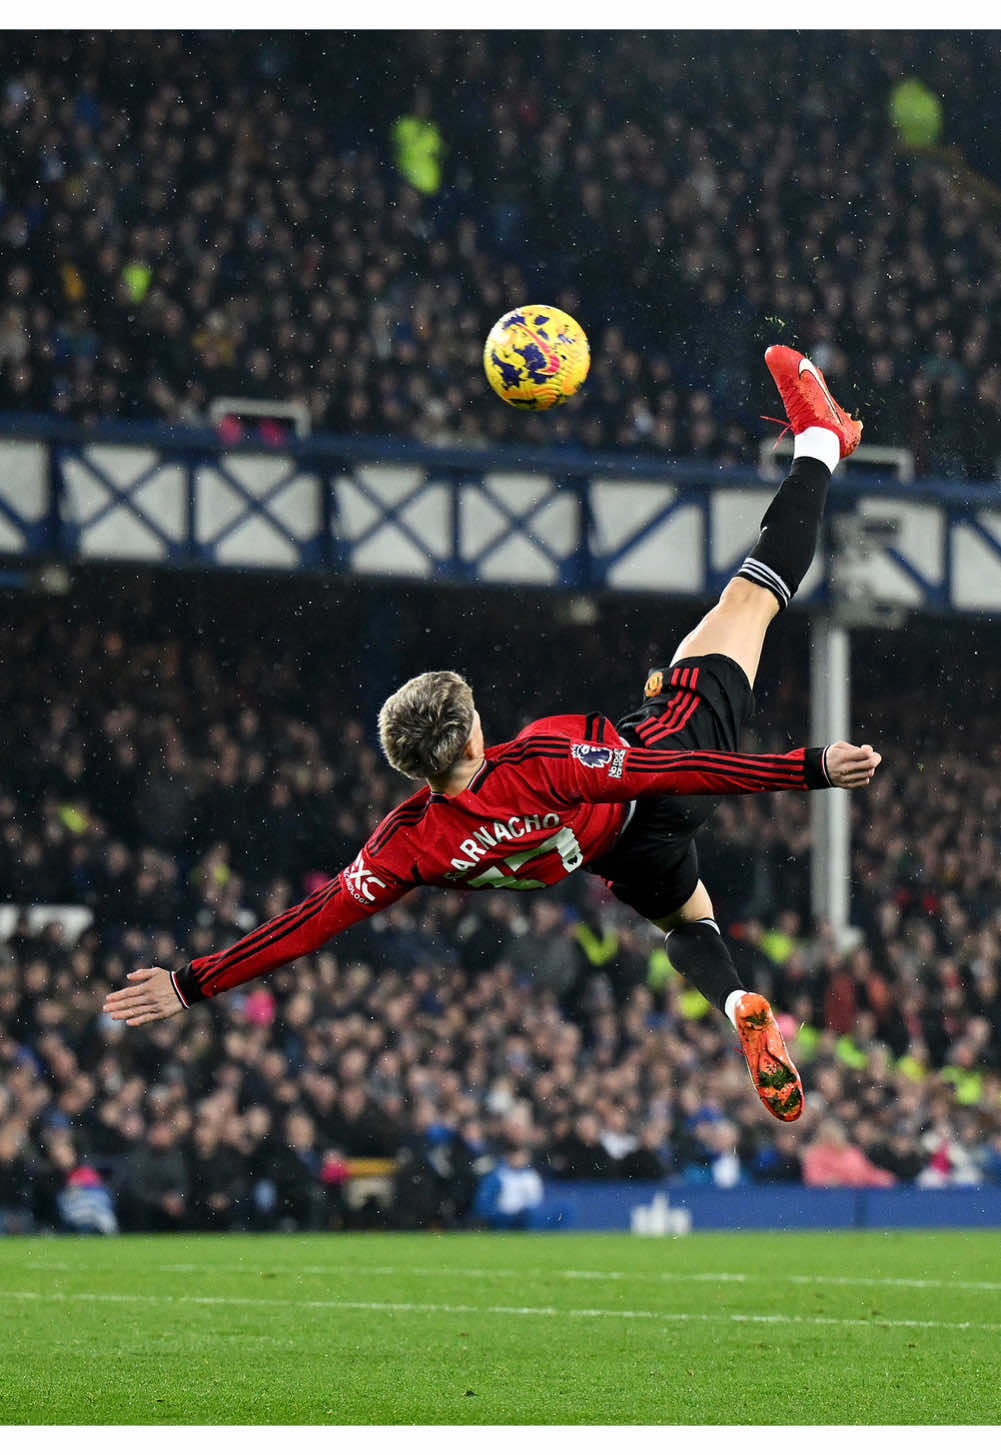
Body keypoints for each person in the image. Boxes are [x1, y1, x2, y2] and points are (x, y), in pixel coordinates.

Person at [104, 346, 876, 1125]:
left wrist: (192, 981)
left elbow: (306, 924)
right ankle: (819, 438)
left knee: (686, 921)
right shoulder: (538, 758)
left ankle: (737, 997)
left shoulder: (408, 843)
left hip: (619, 854)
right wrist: (809, 768)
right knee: (750, 598)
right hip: (660, 776)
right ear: (473, 734)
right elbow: (661, 769)